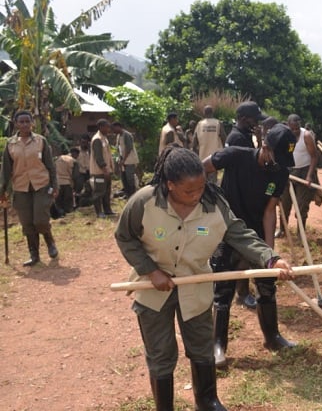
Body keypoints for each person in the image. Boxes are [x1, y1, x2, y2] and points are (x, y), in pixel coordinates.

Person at [115, 146, 294, 411]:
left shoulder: (214, 205)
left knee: (201, 347)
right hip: (153, 291)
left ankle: (207, 400)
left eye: (201, 187)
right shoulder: (144, 202)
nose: (197, 195)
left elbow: (238, 233)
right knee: (161, 354)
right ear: (170, 184)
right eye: (189, 191)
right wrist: (151, 270)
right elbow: (125, 237)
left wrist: (270, 258)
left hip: (195, 288)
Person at [203, 123, 299, 366]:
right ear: (264, 147)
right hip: (226, 231)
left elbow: (269, 212)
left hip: (255, 235)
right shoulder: (235, 156)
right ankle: (218, 346)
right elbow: (201, 168)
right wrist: (205, 196)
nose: (279, 164)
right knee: (223, 290)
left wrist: (269, 254)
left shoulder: (280, 172)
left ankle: (272, 337)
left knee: (267, 286)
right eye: (277, 158)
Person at [221, 101, 267, 310]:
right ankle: (242, 292)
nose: (256, 123)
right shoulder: (236, 138)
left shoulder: (245, 136)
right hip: (236, 198)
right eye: (254, 119)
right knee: (240, 248)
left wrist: (257, 139)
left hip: (243, 195)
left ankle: (242, 290)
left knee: (244, 247)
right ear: (243, 118)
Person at [0, 111, 59, 266]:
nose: (25, 124)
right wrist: (2, 190)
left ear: (32, 123)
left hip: (41, 185)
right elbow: (6, 169)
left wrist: (55, 185)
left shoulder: (41, 141)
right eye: (22, 122)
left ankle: (50, 242)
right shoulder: (11, 144)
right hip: (20, 188)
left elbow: (50, 166)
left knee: (40, 219)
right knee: (27, 223)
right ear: (16, 124)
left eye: (28, 121)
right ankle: (34, 255)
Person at [278, 114, 318, 237]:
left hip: (304, 171)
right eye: (292, 128)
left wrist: (309, 176)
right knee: (284, 203)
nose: (295, 131)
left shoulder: (306, 136)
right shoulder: (284, 136)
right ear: (288, 126)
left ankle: (301, 232)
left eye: (297, 128)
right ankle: (282, 230)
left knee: (302, 204)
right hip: (288, 172)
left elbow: (314, 157)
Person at [192, 105, 227, 183]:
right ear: (212, 112)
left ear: (204, 113)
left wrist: (195, 154)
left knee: (204, 178)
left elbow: (194, 142)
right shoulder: (218, 123)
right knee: (213, 180)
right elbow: (224, 138)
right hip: (215, 156)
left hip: (203, 156)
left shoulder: (200, 124)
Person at [90, 119, 115, 218]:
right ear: (101, 127)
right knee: (99, 192)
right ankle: (99, 212)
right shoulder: (97, 139)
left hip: (107, 171)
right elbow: (98, 157)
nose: (109, 129)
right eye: (107, 127)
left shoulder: (104, 138)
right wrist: (104, 169)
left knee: (107, 191)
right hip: (99, 171)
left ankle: (107, 210)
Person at [111, 121, 139, 198]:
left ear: (118, 127)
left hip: (129, 160)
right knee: (124, 178)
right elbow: (119, 149)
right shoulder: (119, 136)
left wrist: (123, 160)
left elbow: (129, 148)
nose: (113, 131)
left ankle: (133, 195)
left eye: (114, 129)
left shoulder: (127, 135)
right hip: (123, 161)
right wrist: (119, 160)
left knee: (130, 178)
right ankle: (127, 193)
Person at [53, 147, 80, 217]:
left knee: (59, 202)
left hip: (58, 183)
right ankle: (67, 216)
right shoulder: (73, 161)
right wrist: (76, 188)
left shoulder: (57, 159)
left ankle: (60, 214)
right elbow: (75, 176)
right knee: (68, 203)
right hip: (67, 184)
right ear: (75, 154)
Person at [75, 133, 91, 206]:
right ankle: (77, 203)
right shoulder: (76, 150)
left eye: (86, 142)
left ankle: (87, 202)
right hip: (80, 172)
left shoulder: (91, 151)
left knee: (89, 188)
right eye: (83, 142)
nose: (84, 144)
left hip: (89, 172)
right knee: (78, 188)